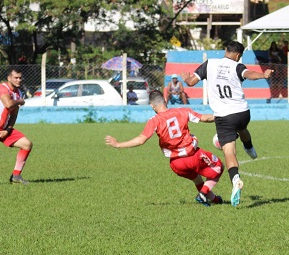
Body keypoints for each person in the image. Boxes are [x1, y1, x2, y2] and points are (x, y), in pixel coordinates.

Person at [181, 41, 274, 207]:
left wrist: (186, 78)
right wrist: (263, 75)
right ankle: (250, 147)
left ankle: (236, 180)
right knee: (242, 127)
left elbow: (191, 82)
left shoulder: (209, 63)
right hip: (243, 113)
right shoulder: (237, 66)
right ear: (238, 55)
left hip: (224, 116)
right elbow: (248, 74)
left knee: (229, 153)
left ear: (226, 51)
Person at [105, 90, 224, 207]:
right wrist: (222, 116)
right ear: (165, 100)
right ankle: (202, 194)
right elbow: (205, 118)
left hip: (176, 164)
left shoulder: (154, 121)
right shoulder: (183, 111)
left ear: (152, 106)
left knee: (197, 179)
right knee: (219, 166)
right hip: (192, 156)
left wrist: (118, 144)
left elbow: (141, 140)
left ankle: (215, 200)